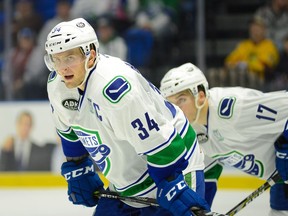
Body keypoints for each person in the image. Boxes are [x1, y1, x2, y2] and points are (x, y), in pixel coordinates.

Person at [44, 18, 210, 216]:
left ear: (91, 55)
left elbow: (161, 141)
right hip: (130, 178)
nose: (62, 68)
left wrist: (171, 183)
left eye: (70, 58)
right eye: (56, 59)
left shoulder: (115, 90)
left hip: (173, 165)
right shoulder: (57, 85)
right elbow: (69, 129)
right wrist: (77, 165)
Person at [160, 62, 288, 216]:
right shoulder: (192, 132)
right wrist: (200, 211)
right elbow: (206, 177)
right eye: (171, 104)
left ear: (200, 96)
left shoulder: (233, 109)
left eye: (181, 100)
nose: (176, 111)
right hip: (281, 179)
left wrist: (285, 150)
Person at [224, 18, 279, 90]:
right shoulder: (244, 45)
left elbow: (265, 66)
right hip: (239, 74)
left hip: (260, 78)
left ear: (264, 31)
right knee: (216, 73)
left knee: (244, 75)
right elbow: (229, 61)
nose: (254, 32)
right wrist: (237, 64)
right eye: (253, 29)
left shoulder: (270, 46)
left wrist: (247, 65)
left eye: (257, 29)